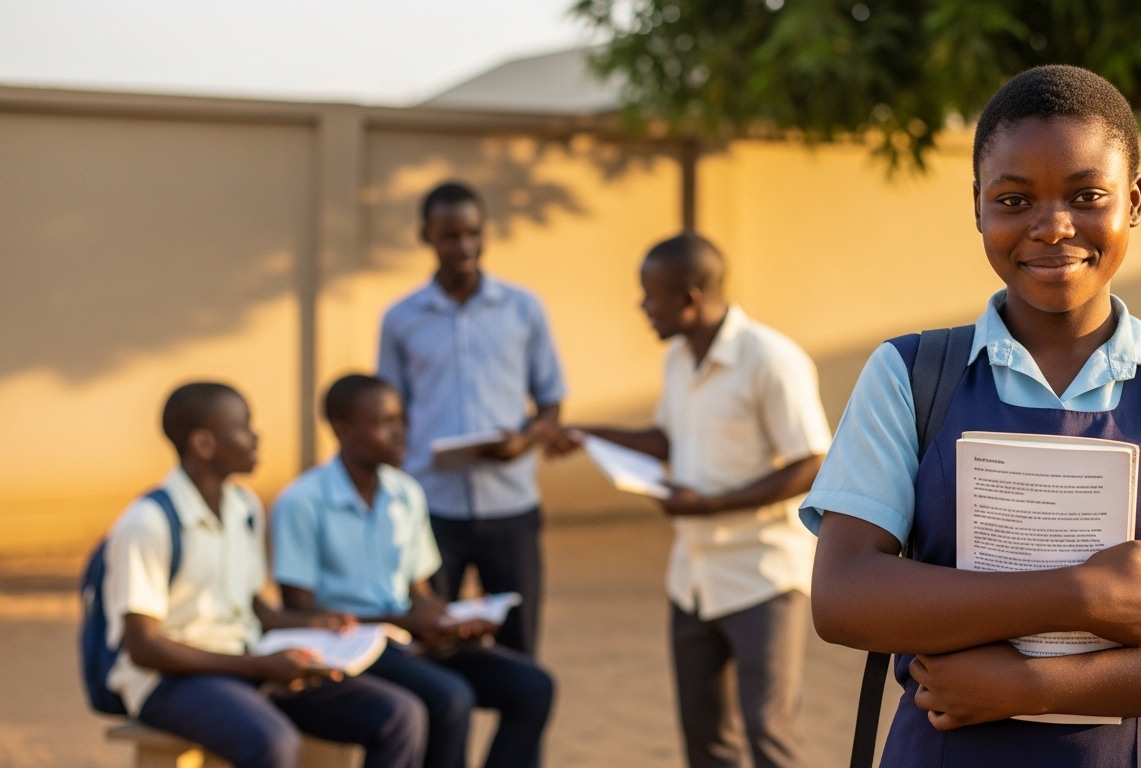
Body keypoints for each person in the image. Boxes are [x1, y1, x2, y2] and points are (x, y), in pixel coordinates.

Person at [803, 65, 1141, 766]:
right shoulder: (911, 378)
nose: (1052, 227)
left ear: (1133, 201)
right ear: (978, 205)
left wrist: (1034, 684)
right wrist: (1080, 595)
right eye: (1014, 199)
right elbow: (843, 596)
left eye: (1087, 195)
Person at [551, 233, 833, 768]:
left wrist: (709, 505)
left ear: (689, 298)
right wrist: (585, 434)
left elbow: (812, 463)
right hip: (693, 577)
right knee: (705, 738)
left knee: (768, 732)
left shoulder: (770, 359)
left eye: (649, 296)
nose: (641, 307)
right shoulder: (679, 358)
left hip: (761, 574)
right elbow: (667, 440)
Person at [101, 382, 426, 768]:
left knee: (398, 714)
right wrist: (257, 666)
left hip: (245, 660)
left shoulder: (244, 507)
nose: (257, 437)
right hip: (172, 680)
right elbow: (144, 647)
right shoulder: (148, 522)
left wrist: (315, 624)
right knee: (272, 743)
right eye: (244, 427)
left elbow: (253, 608)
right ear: (203, 444)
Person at [271, 374, 555, 768]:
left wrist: (451, 619)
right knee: (450, 697)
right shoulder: (302, 502)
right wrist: (406, 619)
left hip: (408, 639)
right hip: (353, 646)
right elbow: (300, 612)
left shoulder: (406, 493)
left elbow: (419, 588)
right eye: (385, 422)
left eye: (403, 420)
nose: (402, 432)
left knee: (532, 685)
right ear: (342, 429)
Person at [377, 181, 566, 657]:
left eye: (472, 233)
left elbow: (550, 402)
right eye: (449, 235)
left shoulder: (524, 308)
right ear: (426, 236)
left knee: (520, 648)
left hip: (511, 506)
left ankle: (522, 734)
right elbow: (388, 413)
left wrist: (522, 442)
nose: (463, 246)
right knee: (433, 642)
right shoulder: (401, 319)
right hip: (433, 509)